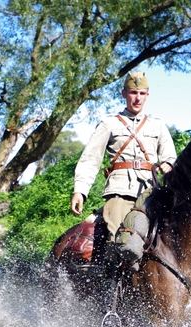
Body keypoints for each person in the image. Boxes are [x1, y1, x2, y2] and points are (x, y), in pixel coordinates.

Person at [70, 71, 176, 264]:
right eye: (133, 92)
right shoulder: (109, 123)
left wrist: (167, 164)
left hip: (151, 191)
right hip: (120, 191)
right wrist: (80, 191)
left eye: (142, 93)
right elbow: (90, 158)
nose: (137, 98)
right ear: (124, 93)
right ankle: (110, 279)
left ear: (147, 95)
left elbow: (170, 156)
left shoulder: (158, 125)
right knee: (120, 241)